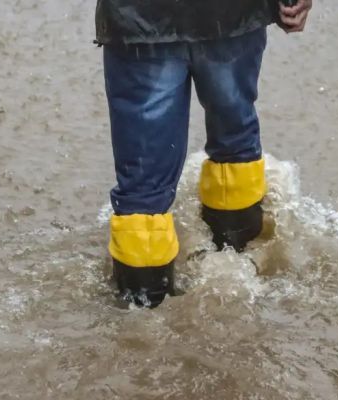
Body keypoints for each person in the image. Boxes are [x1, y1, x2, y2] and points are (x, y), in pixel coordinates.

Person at [96, 0, 313, 308]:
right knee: (235, 147)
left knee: (144, 191)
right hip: (231, 16)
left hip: (140, 20)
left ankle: (139, 320)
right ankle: (242, 282)